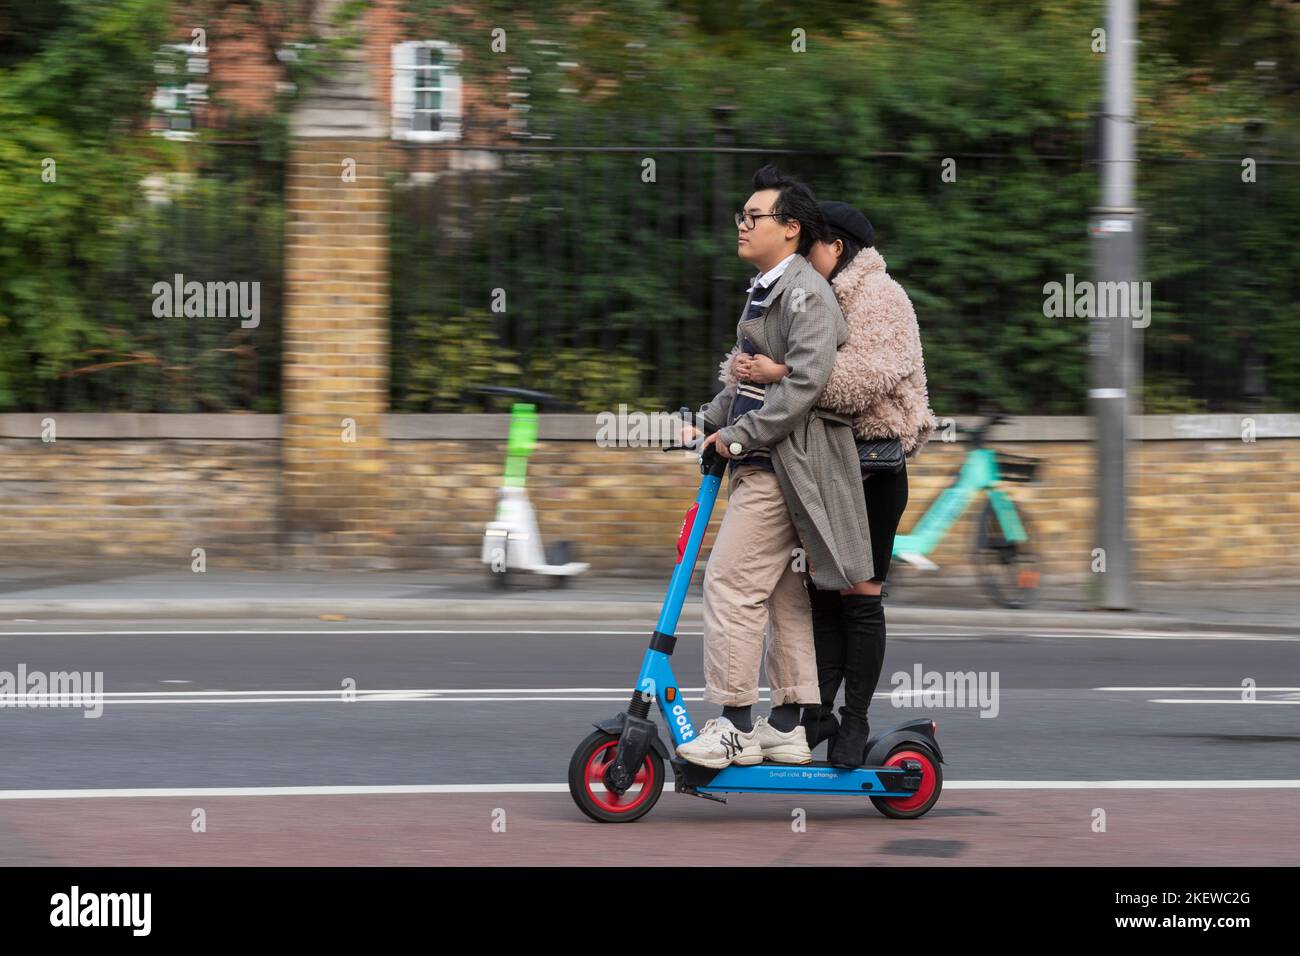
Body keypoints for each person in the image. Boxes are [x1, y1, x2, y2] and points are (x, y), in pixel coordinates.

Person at [675, 166, 875, 770]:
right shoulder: (768, 289)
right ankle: (788, 725)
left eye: (753, 216)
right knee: (784, 595)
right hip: (770, 462)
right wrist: (709, 423)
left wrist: (735, 440)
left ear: (790, 229)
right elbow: (746, 376)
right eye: (742, 214)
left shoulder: (806, 293)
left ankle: (735, 723)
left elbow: (807, 385)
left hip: (791, 468)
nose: (742, 224)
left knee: (730, 584)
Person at [724, 201, 935, 767]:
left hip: (872, 472)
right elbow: (750, 361)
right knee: (816, 596)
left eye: (810, 242)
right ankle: (815, 715)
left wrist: (783, 374)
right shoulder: (805, 293)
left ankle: (855, 719)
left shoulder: (881, 297)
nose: (799, 252)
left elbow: (863, 380)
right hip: (820, 466)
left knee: (859, 597)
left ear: (835, 247)